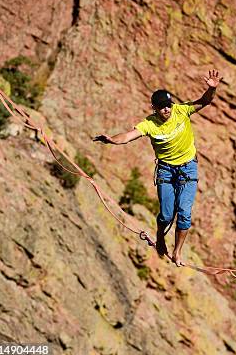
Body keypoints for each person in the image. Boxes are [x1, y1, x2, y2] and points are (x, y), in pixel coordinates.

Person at [94, 70, 222, 267]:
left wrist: (211, 89)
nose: (166, 110)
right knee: (167, 214)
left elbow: (203, 101)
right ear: (154, 108)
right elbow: (128, 136)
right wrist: (112, 140)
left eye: (168, 106)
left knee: (184, 212)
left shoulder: (181, 110)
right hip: (166, 170)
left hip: (188, 168)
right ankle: (160, 236)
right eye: (162, 107)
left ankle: (177, 251)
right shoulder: (149, 124)